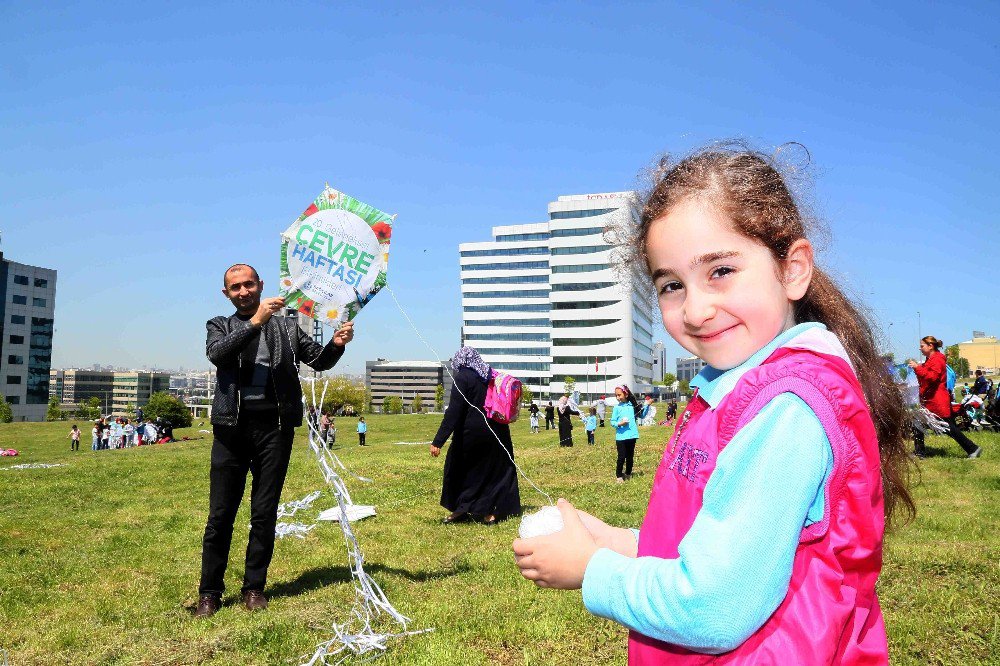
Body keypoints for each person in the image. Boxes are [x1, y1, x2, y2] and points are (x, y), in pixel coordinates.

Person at [513, 145, 915, 663]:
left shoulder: (785, 408)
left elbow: (714, 606)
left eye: (721, 270)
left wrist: (592, 569)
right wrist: (612, 541)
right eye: (672, 285)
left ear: (792, 270)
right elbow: (715, 544)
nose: (697, 309)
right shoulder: (735, 390)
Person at [195, 263, 355, 619]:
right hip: (231, 430)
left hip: (274, 430)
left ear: (261, 284)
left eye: (249, 284)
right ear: (226, 294)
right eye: (235, 287)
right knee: (220, 515)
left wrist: (337, 344)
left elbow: (319, 360)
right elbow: (218, 354)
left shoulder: (286, 326)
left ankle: (254, 588)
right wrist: (256, 322)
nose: (243, 292)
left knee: (264, 513)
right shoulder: (219, 325)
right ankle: (209, 593)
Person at [430, 346, 520, 526]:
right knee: (493, 472)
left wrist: (439, 440)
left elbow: (454, 411)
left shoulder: (463, 377)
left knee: (459, 470)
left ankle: (461, 508)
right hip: (498, 432)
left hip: (471, 435)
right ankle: (491, 512)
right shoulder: (490, 376)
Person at [909, 335, 981, 459]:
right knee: (918, 423)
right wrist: (918, 370)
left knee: (949, 429)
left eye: (922, 346)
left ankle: (972, 448)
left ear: (930, 346)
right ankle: (920, 452)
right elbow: (925, 378)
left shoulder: (937, 359)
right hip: (932, 400)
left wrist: (917, 368)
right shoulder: (931, 359)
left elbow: (932, 377)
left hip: (937, 402)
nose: (920, 349)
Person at [611, 385, 639, 481]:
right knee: (621, 457)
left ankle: (628, 473)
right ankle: (619, 475)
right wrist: (620, 423)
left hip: (632, 435)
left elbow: (642, 415)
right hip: (621, 437)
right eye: (616, 395)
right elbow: (612, 422)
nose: (618, 397)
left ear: (626, 394)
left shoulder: (633, 406)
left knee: (630, 456)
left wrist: (647, 405)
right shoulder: (617, 408)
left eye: (619, 395)